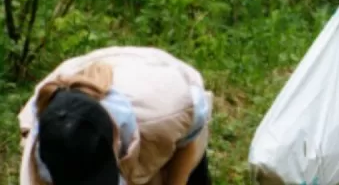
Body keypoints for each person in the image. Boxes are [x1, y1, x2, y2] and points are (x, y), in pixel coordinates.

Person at [17, 47, 213, 185]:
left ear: (114, 142)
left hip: (160, 81)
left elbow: (188, 141)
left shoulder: (170, 111)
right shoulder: (38, 145)